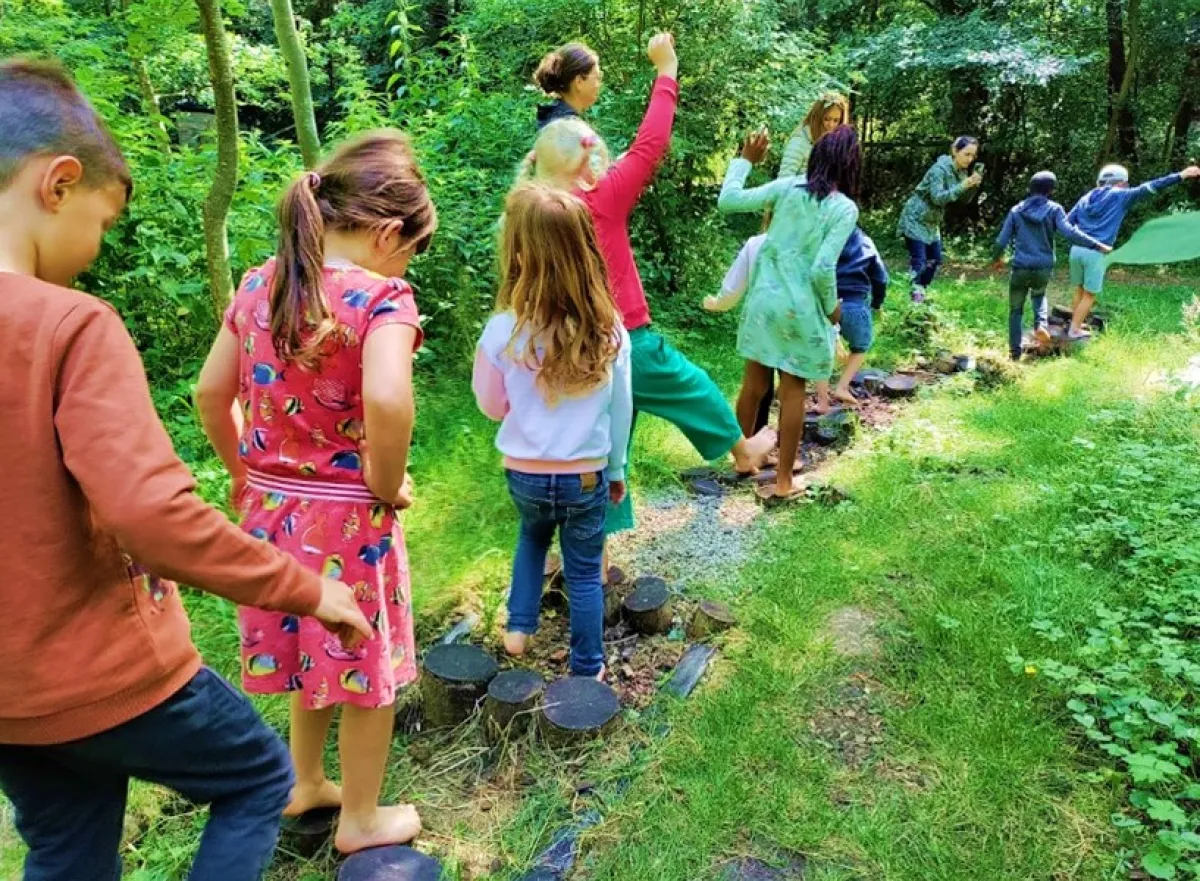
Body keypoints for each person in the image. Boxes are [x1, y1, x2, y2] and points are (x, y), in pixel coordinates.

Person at [0, 60, 371, 881]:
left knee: (67, 844)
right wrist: (308, 589)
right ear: (57, 183)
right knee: (257, 779)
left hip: (11, 701)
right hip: (104, 671)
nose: (97, 248)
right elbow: (151, 514)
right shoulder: (67, 325)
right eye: (102, 221)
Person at [196, 130, 436, 855]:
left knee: (309, 650)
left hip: (270, 515)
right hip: (349, 522)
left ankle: (304, 780)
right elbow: (388, 400)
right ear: (388, 234)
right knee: (366, 664)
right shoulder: (383, 297)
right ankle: (360, 817)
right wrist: (384, 483)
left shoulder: (261, 283)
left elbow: (210, 392)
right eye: (412, 249)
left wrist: (244, 470)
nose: (408, 264)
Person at [523, 32, 775, 537]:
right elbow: (650, 144)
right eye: (595, 154)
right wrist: (667, 70)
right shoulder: (602, 198)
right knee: (689, 383)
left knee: (609, 443)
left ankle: (598, 539)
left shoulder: (539, 210)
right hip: (623, 335)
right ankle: (742, 450)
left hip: (574, 339)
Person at [473, 183, 632, 680]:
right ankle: (588, 667)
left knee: (532, 535)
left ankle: (518, 629)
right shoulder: (609, 330)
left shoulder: (502, 330)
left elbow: (490, 406)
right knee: (584, 572)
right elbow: (621, 408)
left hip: (524, 475)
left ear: (518, 254)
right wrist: (617, 469)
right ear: (585, 251)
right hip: (585, 476)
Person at [717, 125, 862, 501]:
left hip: (763, 303)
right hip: (800, 311)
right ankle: (783, 482)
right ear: (850, 164)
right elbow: (822, 269)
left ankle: (742, 461)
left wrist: (744, 161)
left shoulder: (788, 188)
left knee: (753, 384)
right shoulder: (843, 208)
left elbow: (728, 200)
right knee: (793, 390)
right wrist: (832, 309)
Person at [1064, 162, 1200, 339]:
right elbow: (1151, 187)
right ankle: (1074, 330)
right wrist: (1181, 175)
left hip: (1076, 250)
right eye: (1126, 183)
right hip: (1096, 252)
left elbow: (1066, 222)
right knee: (1089, 294)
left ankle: (1075, 323)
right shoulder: (1121, 195)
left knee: (1079, 290)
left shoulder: (1086, 197)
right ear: (1121, 182)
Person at [990, 170, 1110, 360]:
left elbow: (1001, 240)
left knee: (1015, 310)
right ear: (1051, 190)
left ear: (1030, 188)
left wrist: (996, 258)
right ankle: (1040, 325)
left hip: (1020, 266)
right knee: (1039, 296)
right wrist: (1096, 245)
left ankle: (1014, 353)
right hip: (1043, 266)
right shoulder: (1054, 209)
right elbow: (1070, 232)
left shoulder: (1016, 210)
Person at [898, 136, 982, 303]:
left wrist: (972, 187)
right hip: (915, 218)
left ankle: (921, 292)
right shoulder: (939, 169)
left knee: (935, 259)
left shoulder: (961, 172)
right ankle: (916, 299)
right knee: (920, 261)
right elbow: (937, 198)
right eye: (966, 154)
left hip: (932, 221)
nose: (970, 159)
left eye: (973, 156)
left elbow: (963, 200)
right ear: (955, 151)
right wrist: (962, 185)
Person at [814, 228, 889, 410]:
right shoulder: (864, 242)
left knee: (822, 352)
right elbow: (881, 278)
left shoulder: (821, 239)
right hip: (855, 304)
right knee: (861, 346)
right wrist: (877, 303)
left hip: (826, 304)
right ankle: (842, 387)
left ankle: (822, 401)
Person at [778, 92, 851, 178]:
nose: (831, 125)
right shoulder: (799, 142)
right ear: (817, 118)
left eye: (836, 120)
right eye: (827, 119)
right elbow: (784, 179)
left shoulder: (834, 146)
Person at [534, 42, 602, 130]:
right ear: (579, 82)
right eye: (597, 77)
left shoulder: (554, 117)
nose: (599, 85)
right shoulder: (570, 128)